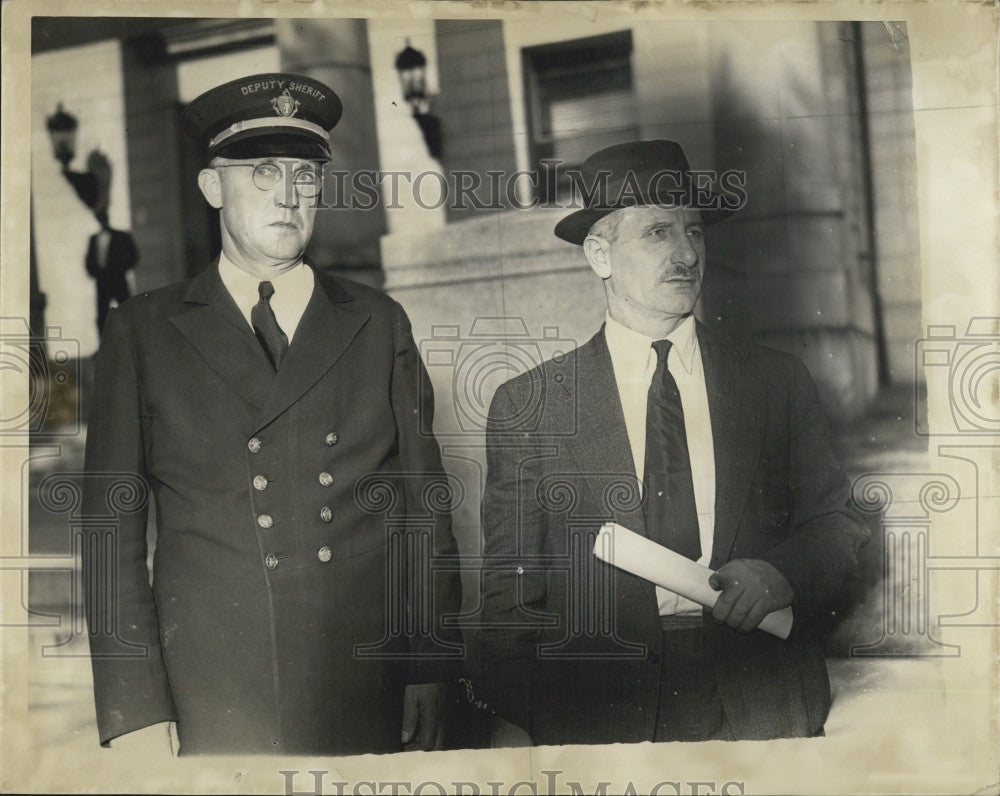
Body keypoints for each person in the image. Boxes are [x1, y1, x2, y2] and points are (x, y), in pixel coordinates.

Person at [82, 73, 462, 756]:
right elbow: (110, 534)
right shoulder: (144, 332)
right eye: (262, 172)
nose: (289, 195)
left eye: (305, 174)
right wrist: (135, 704)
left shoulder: (376, 322)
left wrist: (430, 666)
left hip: (362, 675)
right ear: (210, 188)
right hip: (213, 685)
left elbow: (422, 509)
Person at [472, 140, 869, 746]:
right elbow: (510, 589)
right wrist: (514, 718)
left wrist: (781, 575)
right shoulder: (533, 404)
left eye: (695, 232)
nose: (686, 253)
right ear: (599, 254)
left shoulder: (774, 381)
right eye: (657, 232)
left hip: (764, 707)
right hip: (600, 722)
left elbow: (836, 524)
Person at [85, 209, 137, 336]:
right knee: (102, 315)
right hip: (102, 282)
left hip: (118, 280)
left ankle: (133, 340)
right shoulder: (94, 239)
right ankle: (104, 347)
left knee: (127, 310)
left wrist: (121, 269)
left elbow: (134, 255)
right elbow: (89, 259)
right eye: (100, 218)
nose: (103, 221)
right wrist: (95, 272)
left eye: (104, 217)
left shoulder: (121, 236)